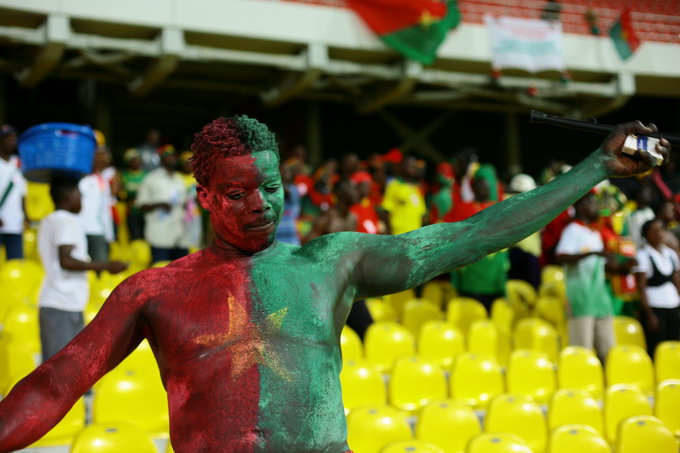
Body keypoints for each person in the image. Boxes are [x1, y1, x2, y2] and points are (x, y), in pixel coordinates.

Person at [0, 116, 669, 453]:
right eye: (239, 193)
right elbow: (57, 382)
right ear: (204, 195)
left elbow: (474, 234)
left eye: (270, 185)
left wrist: (595, 167)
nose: (262, 202)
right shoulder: (150, 290)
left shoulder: (332, 260)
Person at [36, 174, 127, 361]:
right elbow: (66, 260)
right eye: (79, 195)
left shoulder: (50, 219)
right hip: (62, 302)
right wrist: (106, 265)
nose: (82, 200)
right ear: (67, 196)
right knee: (61, 370)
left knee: (61, 368)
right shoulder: (66, 220)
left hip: (60, 301)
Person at [555, 192, 637, 362]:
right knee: (581, 350)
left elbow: (600, 265)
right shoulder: (572, 230)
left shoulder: (594, 232)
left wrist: (622, 268)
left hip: (600, 298)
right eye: (592, 204)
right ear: (580, 207)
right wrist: (594, 253)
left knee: (608, 350)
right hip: (581, 298)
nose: (596, 208)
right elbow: (561, 257)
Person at [633, 219, 680, 355]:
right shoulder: (643, 255)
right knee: (656, 345)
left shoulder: (670, 254)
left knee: (674, 344)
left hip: (673, 304)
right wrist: (649, 314)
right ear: (646, 234)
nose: (658, 233)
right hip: (655, 305)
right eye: (653, 231)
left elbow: (677, 280)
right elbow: (641, 287)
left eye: (661, 229)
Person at [136, 145, 189, 264]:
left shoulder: (179, 179)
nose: (172, 159)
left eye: (174, 156)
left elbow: (184, 204)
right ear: (161, 159)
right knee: (160, 274)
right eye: (168, 156)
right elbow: (140, 205)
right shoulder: (151, 178)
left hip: (179, 236)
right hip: (159, 236)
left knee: (182, 275)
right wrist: (159, 204)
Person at [78, 145, 115, 263]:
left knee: (100, 270)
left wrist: (109, 235)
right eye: (100, 154)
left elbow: (105, 209)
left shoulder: (102, 180)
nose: (105, 158)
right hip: (80, 230)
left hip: (98, 232)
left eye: (106, 155)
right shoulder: (80, 178)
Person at [0, 124, 28, 260]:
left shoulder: (19, 163)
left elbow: (22, 192)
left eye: (14, 138)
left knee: (16, 263)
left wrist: (25, 215)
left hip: (15, 224)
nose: (13, 142)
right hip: (1, 221)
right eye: (8, 138)